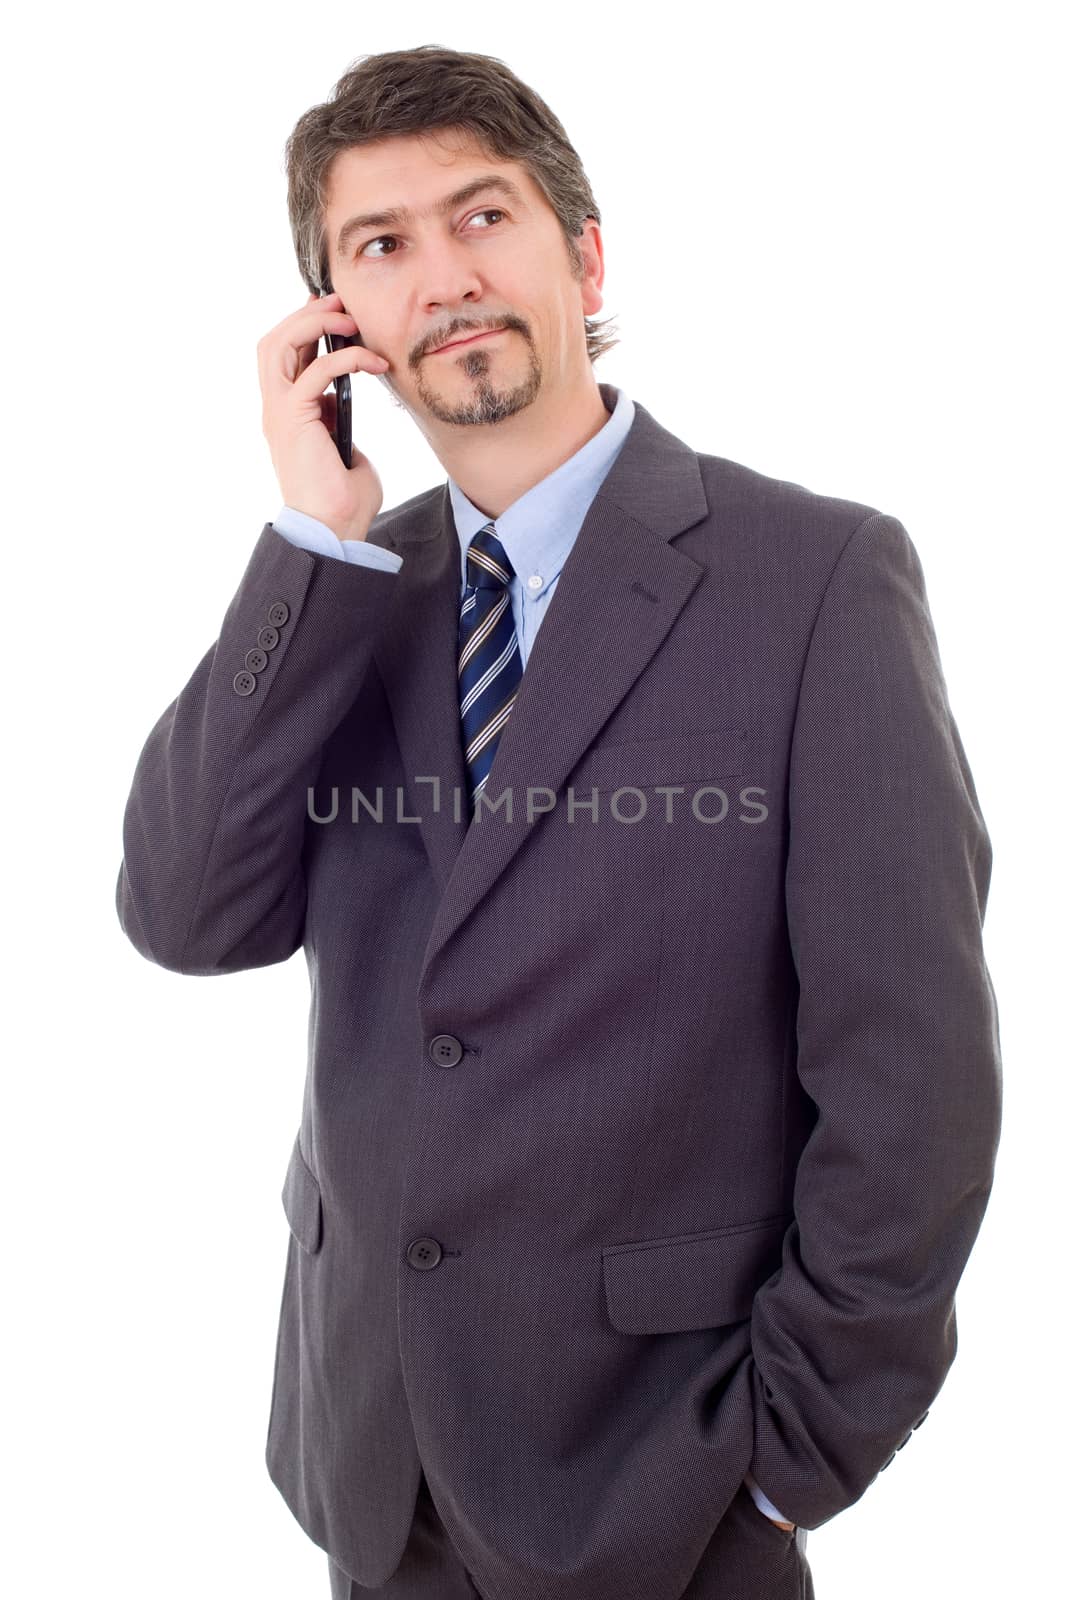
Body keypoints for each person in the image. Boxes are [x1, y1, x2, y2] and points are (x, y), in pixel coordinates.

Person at [114, 43, 1002, 1600]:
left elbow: (911, 1080)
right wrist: (305, 544)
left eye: (483, 217)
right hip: (377, 1472)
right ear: (342, 328)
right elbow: (184, 915)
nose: (443, 278)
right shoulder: (347, 598)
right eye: (380, 247)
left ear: (582, 254)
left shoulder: (818, 582)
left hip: (672, 1487)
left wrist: (790, 1468)